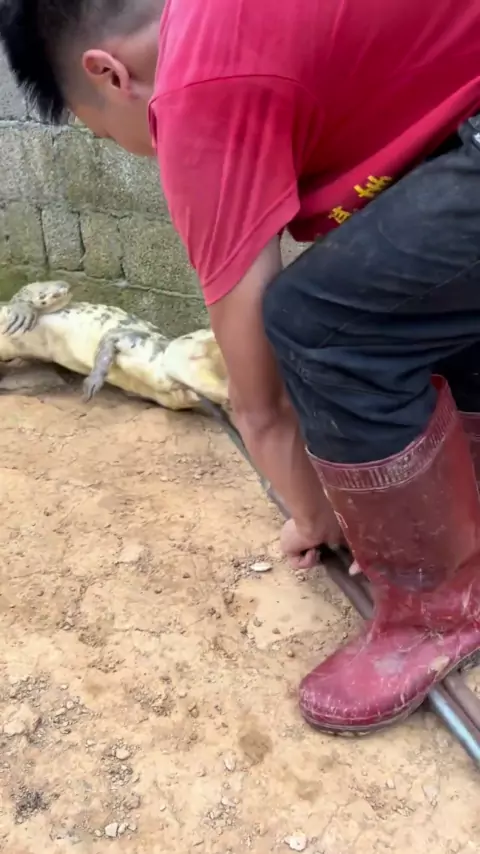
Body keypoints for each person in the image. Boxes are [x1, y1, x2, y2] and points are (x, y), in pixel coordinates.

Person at [3, 0, 480, 736]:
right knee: (403, 287)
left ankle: (436, 612)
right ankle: (464, 497)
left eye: (106, 133)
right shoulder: (229, 22)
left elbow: (260, 405)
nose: (141, 150)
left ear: (109, 73)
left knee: (319, 325)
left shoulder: (195, 89)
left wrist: (316, 516)